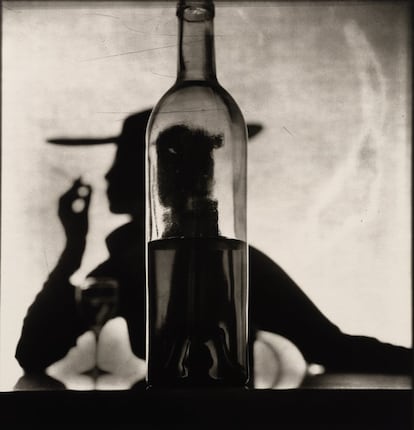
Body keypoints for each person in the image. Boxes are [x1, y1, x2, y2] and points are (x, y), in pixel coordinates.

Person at [15, 109, 411, 380]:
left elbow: (32, 353)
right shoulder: (133, 258)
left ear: (155, 177)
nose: (107, 174)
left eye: (123, 158)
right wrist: (73, 246)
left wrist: (72, 251)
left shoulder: (172, 259)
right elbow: (33, 354)